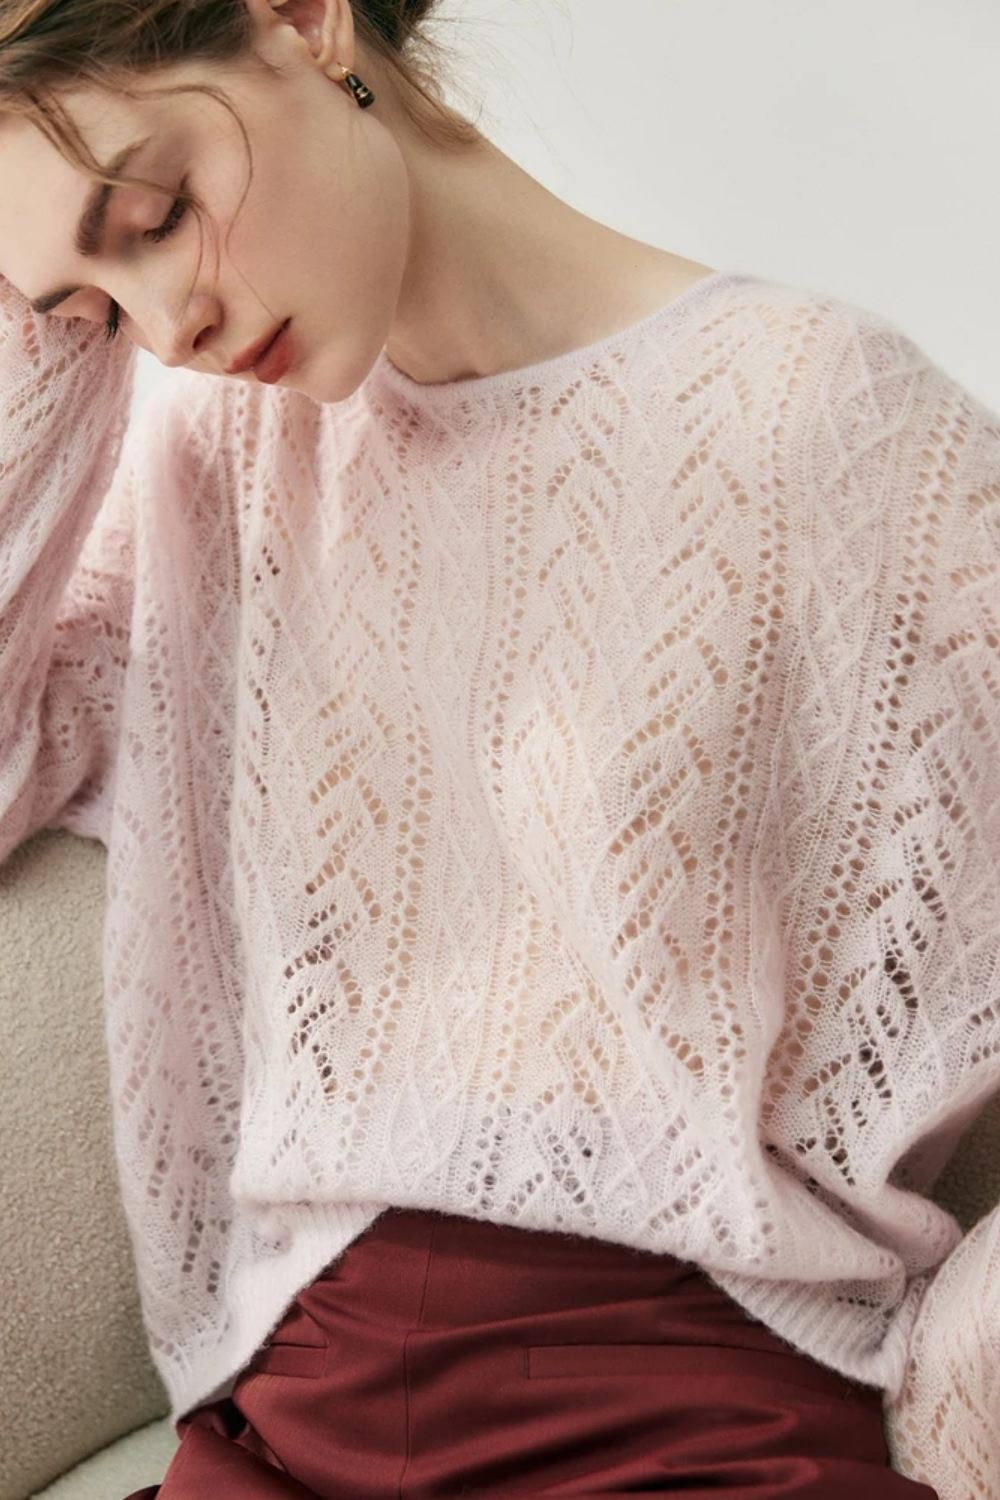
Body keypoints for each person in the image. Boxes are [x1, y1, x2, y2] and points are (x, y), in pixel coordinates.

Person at [0, 0, 996, 1494]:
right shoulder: (218, 457)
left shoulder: (836, 431)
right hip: (285, 1409)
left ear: (296, 16)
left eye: (152, 214)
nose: (171, 329)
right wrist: (50, 353)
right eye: (97, 307)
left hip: (679, 1413)